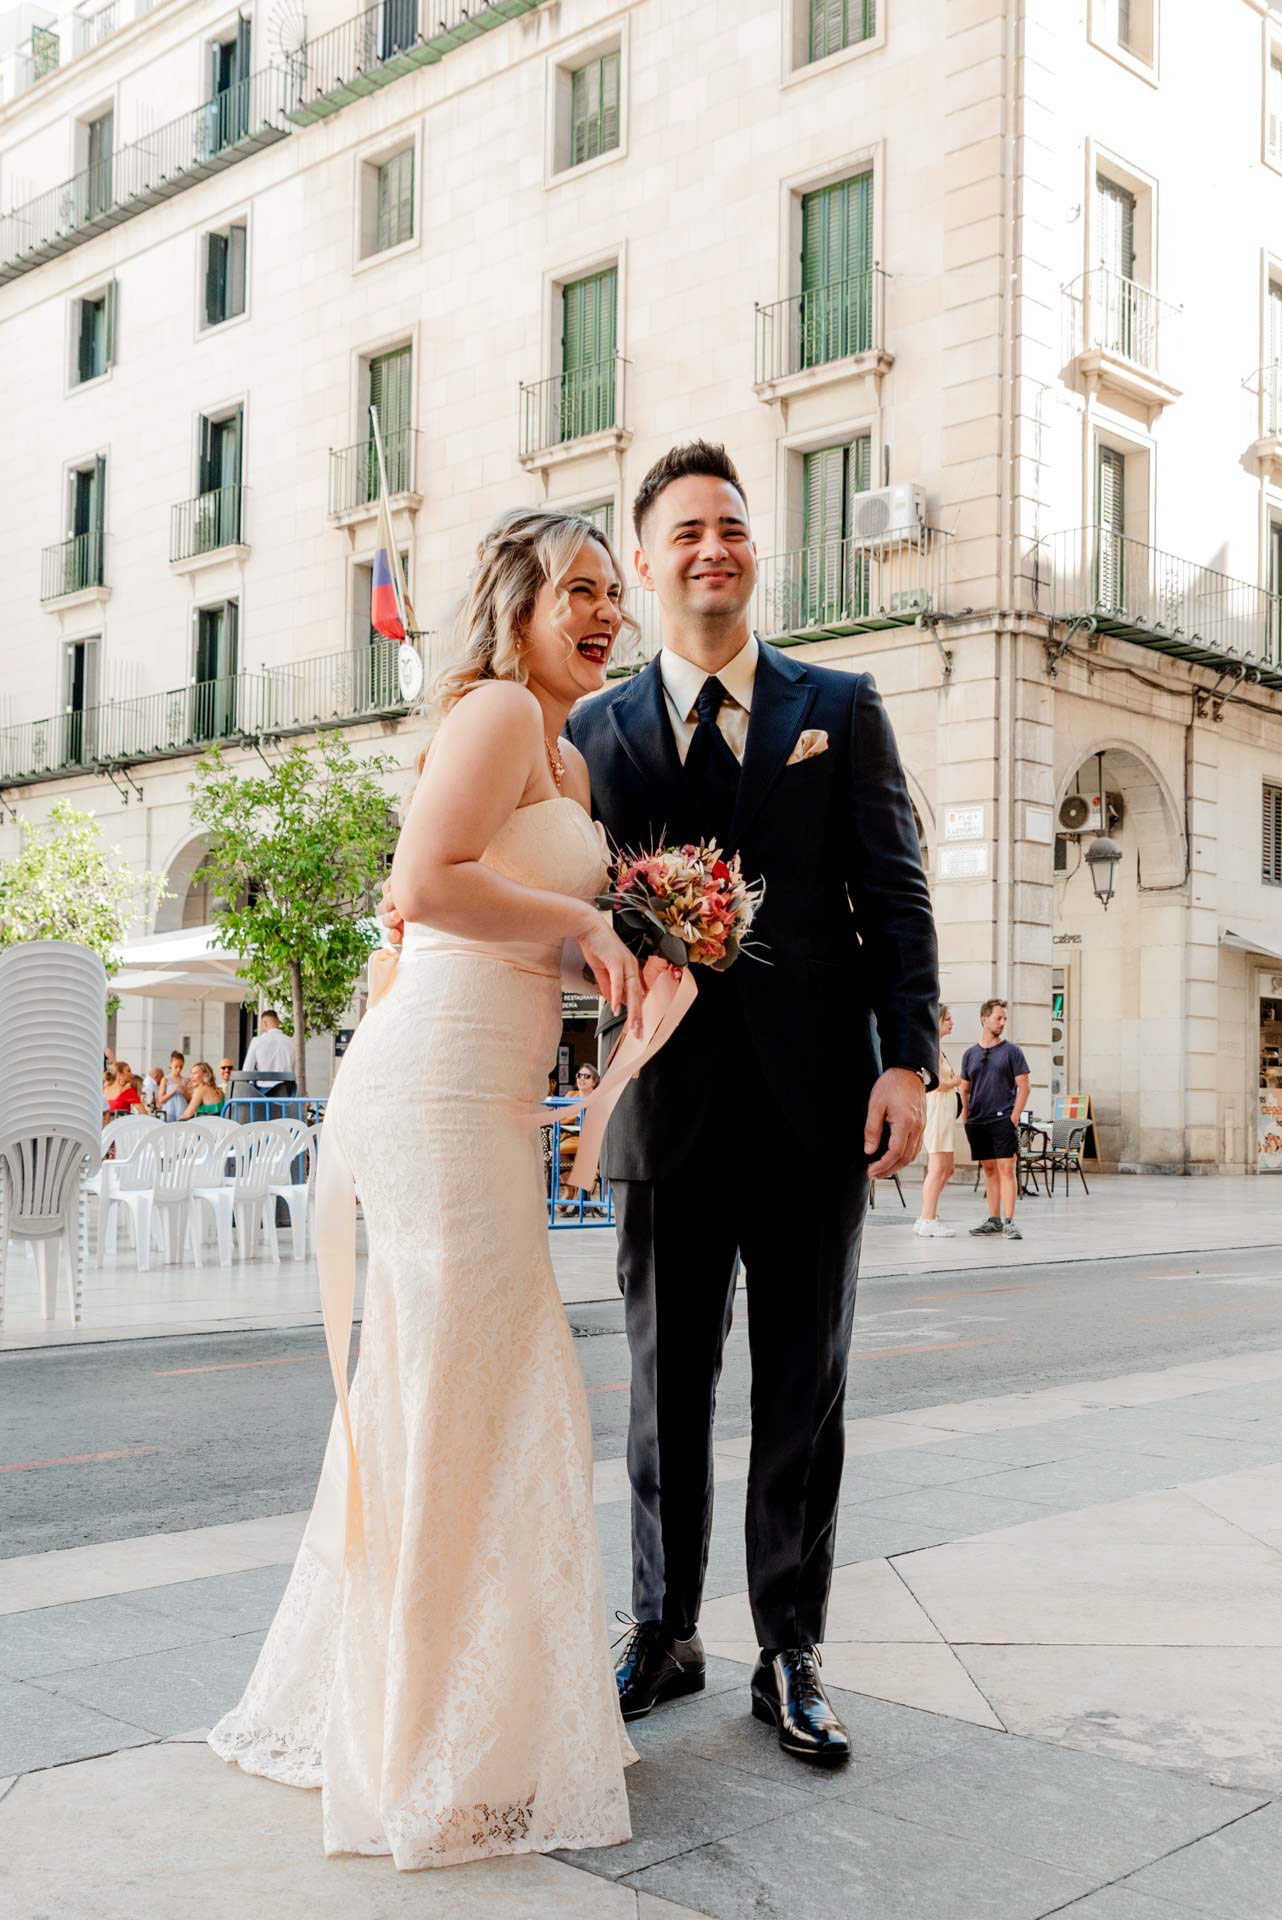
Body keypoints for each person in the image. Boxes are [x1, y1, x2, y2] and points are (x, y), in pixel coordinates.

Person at [210, 509, 648, 1867]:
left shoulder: (565, 756)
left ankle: (458, 1720)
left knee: (465, 1394)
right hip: (430, 1097)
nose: (604, 614)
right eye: (579, 587)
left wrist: (627, 956)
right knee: (471, 1389)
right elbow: (427, 881)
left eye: (610, 597)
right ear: (514, 597)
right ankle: (427, 1751)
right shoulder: (499, 714)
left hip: (484, 1094)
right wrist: (582, 918)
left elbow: (497, 918)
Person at [562, 442, 939, 1765]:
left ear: (750, 551)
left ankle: (791, 1646)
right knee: (661, 1391)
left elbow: (891, 894)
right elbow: (557, 914)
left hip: (814, 1107)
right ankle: (662, 1629)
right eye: (686, 531)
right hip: (662, 1113)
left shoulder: (839, 705)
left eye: (732, 526)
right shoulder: (585, 733)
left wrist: (909, 1062)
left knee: (802, 1387)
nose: (712, 547)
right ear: (646, 555)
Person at [960, 998, 1030, 1241]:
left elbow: (1024, 1087)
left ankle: (1010, 1222)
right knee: (990, 1170)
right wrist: (965, 1115)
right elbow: (965, 1088)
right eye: (998, 1018)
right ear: (984, 1019)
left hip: (1003, 1119)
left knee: (1006, 1169)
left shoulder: (1012, 1051)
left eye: (1004, 1019)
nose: (1002, 1022)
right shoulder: (970, 1054)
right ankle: (994, 1220)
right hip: (977, 1121)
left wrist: (1014, 1117)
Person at [914, 1004, 963, 1238]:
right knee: (937, 1167)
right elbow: (932, 1083)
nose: (952, 1023)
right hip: (937, 1111)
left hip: (945, 1113)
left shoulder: (939, 1050)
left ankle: (928, 1212)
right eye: (948, 1019)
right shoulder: (930, 1050)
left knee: (946, 1167)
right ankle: (928, 1217)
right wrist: (956, 1082)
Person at [241, 1011, 297, 1094]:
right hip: (287, 1091)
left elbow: (247, 1070)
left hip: (264, 1091)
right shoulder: (291, 1042)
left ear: (264, 1023)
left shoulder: (257, 1041)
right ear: (278, 1022)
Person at [159, 1051, 188, 1124]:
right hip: (169, 1110)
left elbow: (189, 1099)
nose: (178, 1070)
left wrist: (184, 1091)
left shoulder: (185, 1080)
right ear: (170, 1064)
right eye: (176, 1067)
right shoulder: (165, 1079)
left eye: (181, 1067)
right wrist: (173, 1091)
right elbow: (161, 1099)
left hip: (182, 1109)